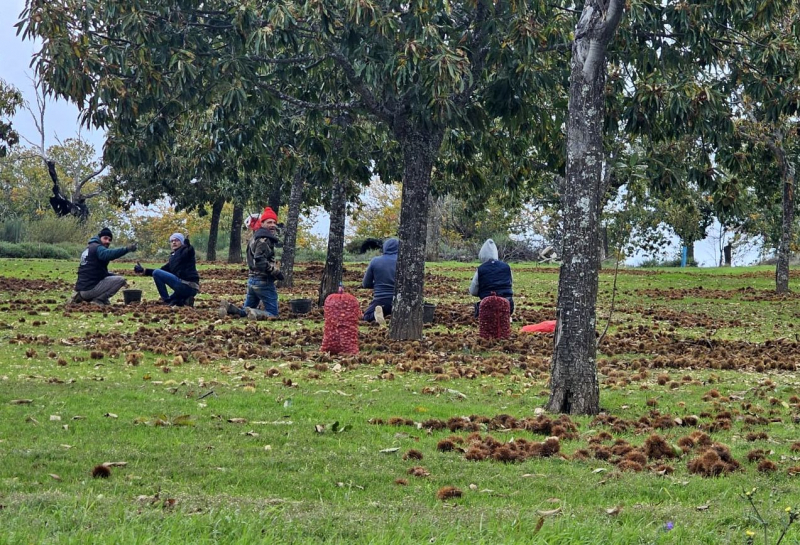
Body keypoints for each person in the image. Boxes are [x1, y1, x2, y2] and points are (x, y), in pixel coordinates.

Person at [219, 206, 284, 319]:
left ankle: (229, 308)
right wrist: (276, 272)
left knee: (245, 310)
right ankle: (256, 313)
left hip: (251, 281)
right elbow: (260, 261)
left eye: (274, 222)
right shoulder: (264, 240)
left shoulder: (254, 238)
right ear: (262, 223)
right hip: (263, 281)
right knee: (273, 314)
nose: (273, 225)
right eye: (269, 222)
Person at [69, 227, 137, 306]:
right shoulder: (98, 248)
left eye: (109, 240)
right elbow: (108, 254)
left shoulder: (90, 247)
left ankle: (82, 298)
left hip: (81, 289)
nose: (107, 241)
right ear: (99, 238)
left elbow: (98, 271)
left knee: (116, 278)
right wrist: (126, 249)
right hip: (89, 289)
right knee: (120, 280)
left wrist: (113, 276)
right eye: (105, 238)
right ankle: (98, 300)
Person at [134, 233, 200, 307]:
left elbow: (190, 252)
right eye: (172, 241)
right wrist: (144, 271)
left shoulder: (185, 251)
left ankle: (166, 300)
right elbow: (162, 271)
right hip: (189, 288)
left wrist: (188, 246)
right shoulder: (173, 257)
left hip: (187, 285)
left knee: (157, 274)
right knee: (173, 299)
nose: (174, 242)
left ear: (182, 242)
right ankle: (185, 300)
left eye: (177, 240)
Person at [469, 238, 514, 316]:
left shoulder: (481, 269)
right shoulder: (507, 267)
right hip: (508, 305)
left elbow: (473, 291)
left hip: (488, 305)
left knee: (482, 308)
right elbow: (510, 284)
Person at [362, 238, 399, 325]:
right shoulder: (405, 262)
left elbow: (366, 284)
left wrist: (379, 284)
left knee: (366, 316)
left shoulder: (375, 261)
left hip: (381, 300)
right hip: (401, 302)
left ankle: (375, 315)